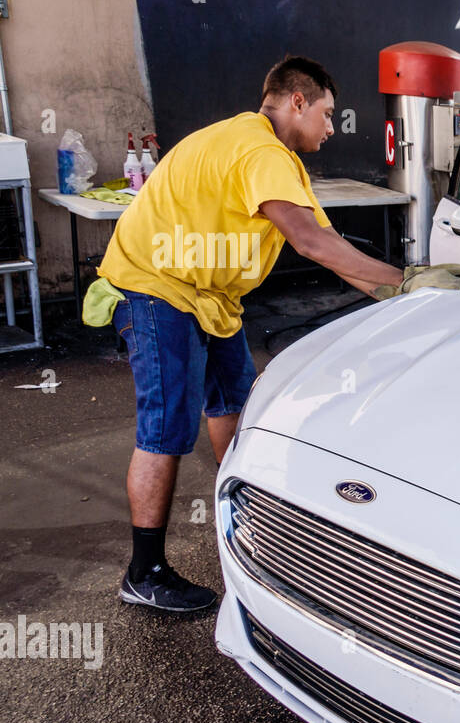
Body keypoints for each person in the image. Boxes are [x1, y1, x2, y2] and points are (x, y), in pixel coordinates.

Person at [88, 56, 403, 612]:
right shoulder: (261, 151)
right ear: (297, 102)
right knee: (166, 426)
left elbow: (338, 258)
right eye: (327, 114)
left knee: (236, 403)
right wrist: (410, 280)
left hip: (209, 296)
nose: (332, 128)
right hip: (156, 286)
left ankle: (250, 532)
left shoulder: (265, 152)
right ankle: (144, 571)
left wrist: (408, 299)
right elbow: (310, 243)